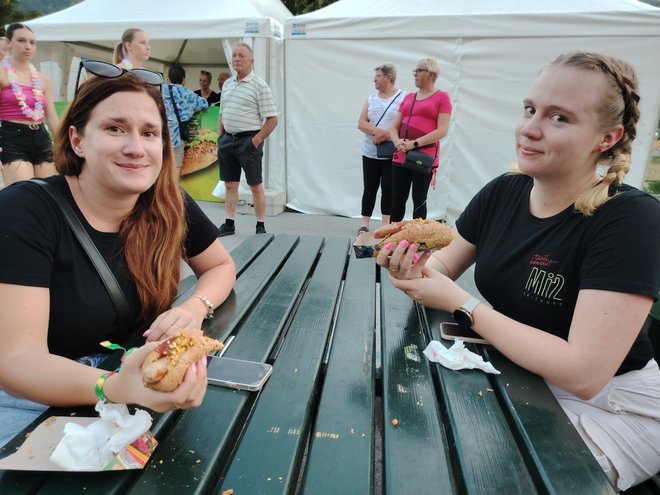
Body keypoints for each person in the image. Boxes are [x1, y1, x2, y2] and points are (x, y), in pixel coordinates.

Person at [377, 51, 660, 491]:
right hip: (519, 374)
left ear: (608, 138)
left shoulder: (629, 218)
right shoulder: (505, 191)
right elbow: (442, 267)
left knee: (497, 480)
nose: (529, 128)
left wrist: (462, 303)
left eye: (559, 117)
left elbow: (585, 374)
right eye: (530, 110)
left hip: (615, 405)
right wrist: (410, 264)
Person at [0, 71, 236, 447]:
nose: (135, 148)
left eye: (149, 133)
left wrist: (194, 307)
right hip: (35, 399)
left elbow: (221, 266)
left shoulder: (167, 201)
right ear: (77, 140)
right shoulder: (25, 210)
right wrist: (113, 386)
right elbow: (15, 362)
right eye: (114, 128)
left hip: (131, 382)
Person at [216, 43, 278, 237]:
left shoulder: (260, 86)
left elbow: (272, 119)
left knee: (255, 185)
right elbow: (222, 113)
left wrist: (256, 140)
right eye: (234, 55)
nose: (236, 58)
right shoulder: (227, 84)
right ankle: (229, 223)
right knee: (230, 184)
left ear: (251, 61)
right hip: (228, 140)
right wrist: (220, 138)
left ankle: (260, 226)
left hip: (248, 141)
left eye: (241, 55)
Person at [389, 57, 452, 221]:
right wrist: (397, 141)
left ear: (431, 73)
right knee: (397, 199)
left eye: (418, 71)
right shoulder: (409, 97)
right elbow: (393, 127)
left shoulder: (442, 98)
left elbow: (442, 130)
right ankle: (390, 239)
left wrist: (413, 144)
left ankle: (416, 242)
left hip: (423, 156)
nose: (415, 74)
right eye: (414, 71)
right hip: (401, 154)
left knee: (419, 200)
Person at [0, 23, 59, 187]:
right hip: (11, 137)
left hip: (41, 137)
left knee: (46, 191)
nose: (28, 46)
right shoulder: (2, 74)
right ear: (8, 42)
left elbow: (52, 117)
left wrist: (64, 144)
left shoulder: (43, 79)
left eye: (32, 42)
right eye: (21, 40)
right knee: (22, 191)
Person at [357, 63, 405, 234]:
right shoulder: (371, 98)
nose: (374, 80)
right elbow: (361, 123)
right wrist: (375, 132)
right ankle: (365, 224)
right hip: (370, 152)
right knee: (369, 187)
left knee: (388, 189)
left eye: (377, 76)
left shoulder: (402, 98)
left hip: (392, 153)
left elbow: (404, 124)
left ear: (388, 77)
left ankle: (385, 223)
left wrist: (385, 135)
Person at [163, 65, 208, 176]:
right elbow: (204, 104)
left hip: (160, 136)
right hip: (176, 138)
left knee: (161, 166)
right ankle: (172, 192)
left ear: (169, 77)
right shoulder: (187, 93)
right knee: (176, 168)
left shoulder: (161, 89)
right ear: (183, 79)